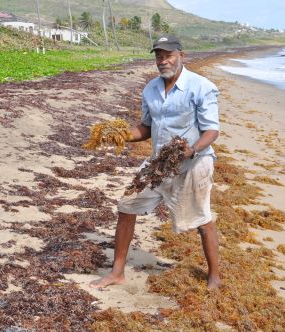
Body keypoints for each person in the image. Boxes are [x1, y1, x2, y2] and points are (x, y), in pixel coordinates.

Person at [90, 35, 221, 289]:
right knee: (127, 205)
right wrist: (118, 135)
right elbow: (146, 128)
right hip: (159, 163)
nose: (163, 61)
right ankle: (117, 272)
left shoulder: (201, 86)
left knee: (202, 219)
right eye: (158, 56)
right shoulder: (150, 89)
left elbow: (212, 131)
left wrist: (191, 150)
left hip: (193, 162)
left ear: (181, 55)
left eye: (168, 55)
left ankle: (214, 276)